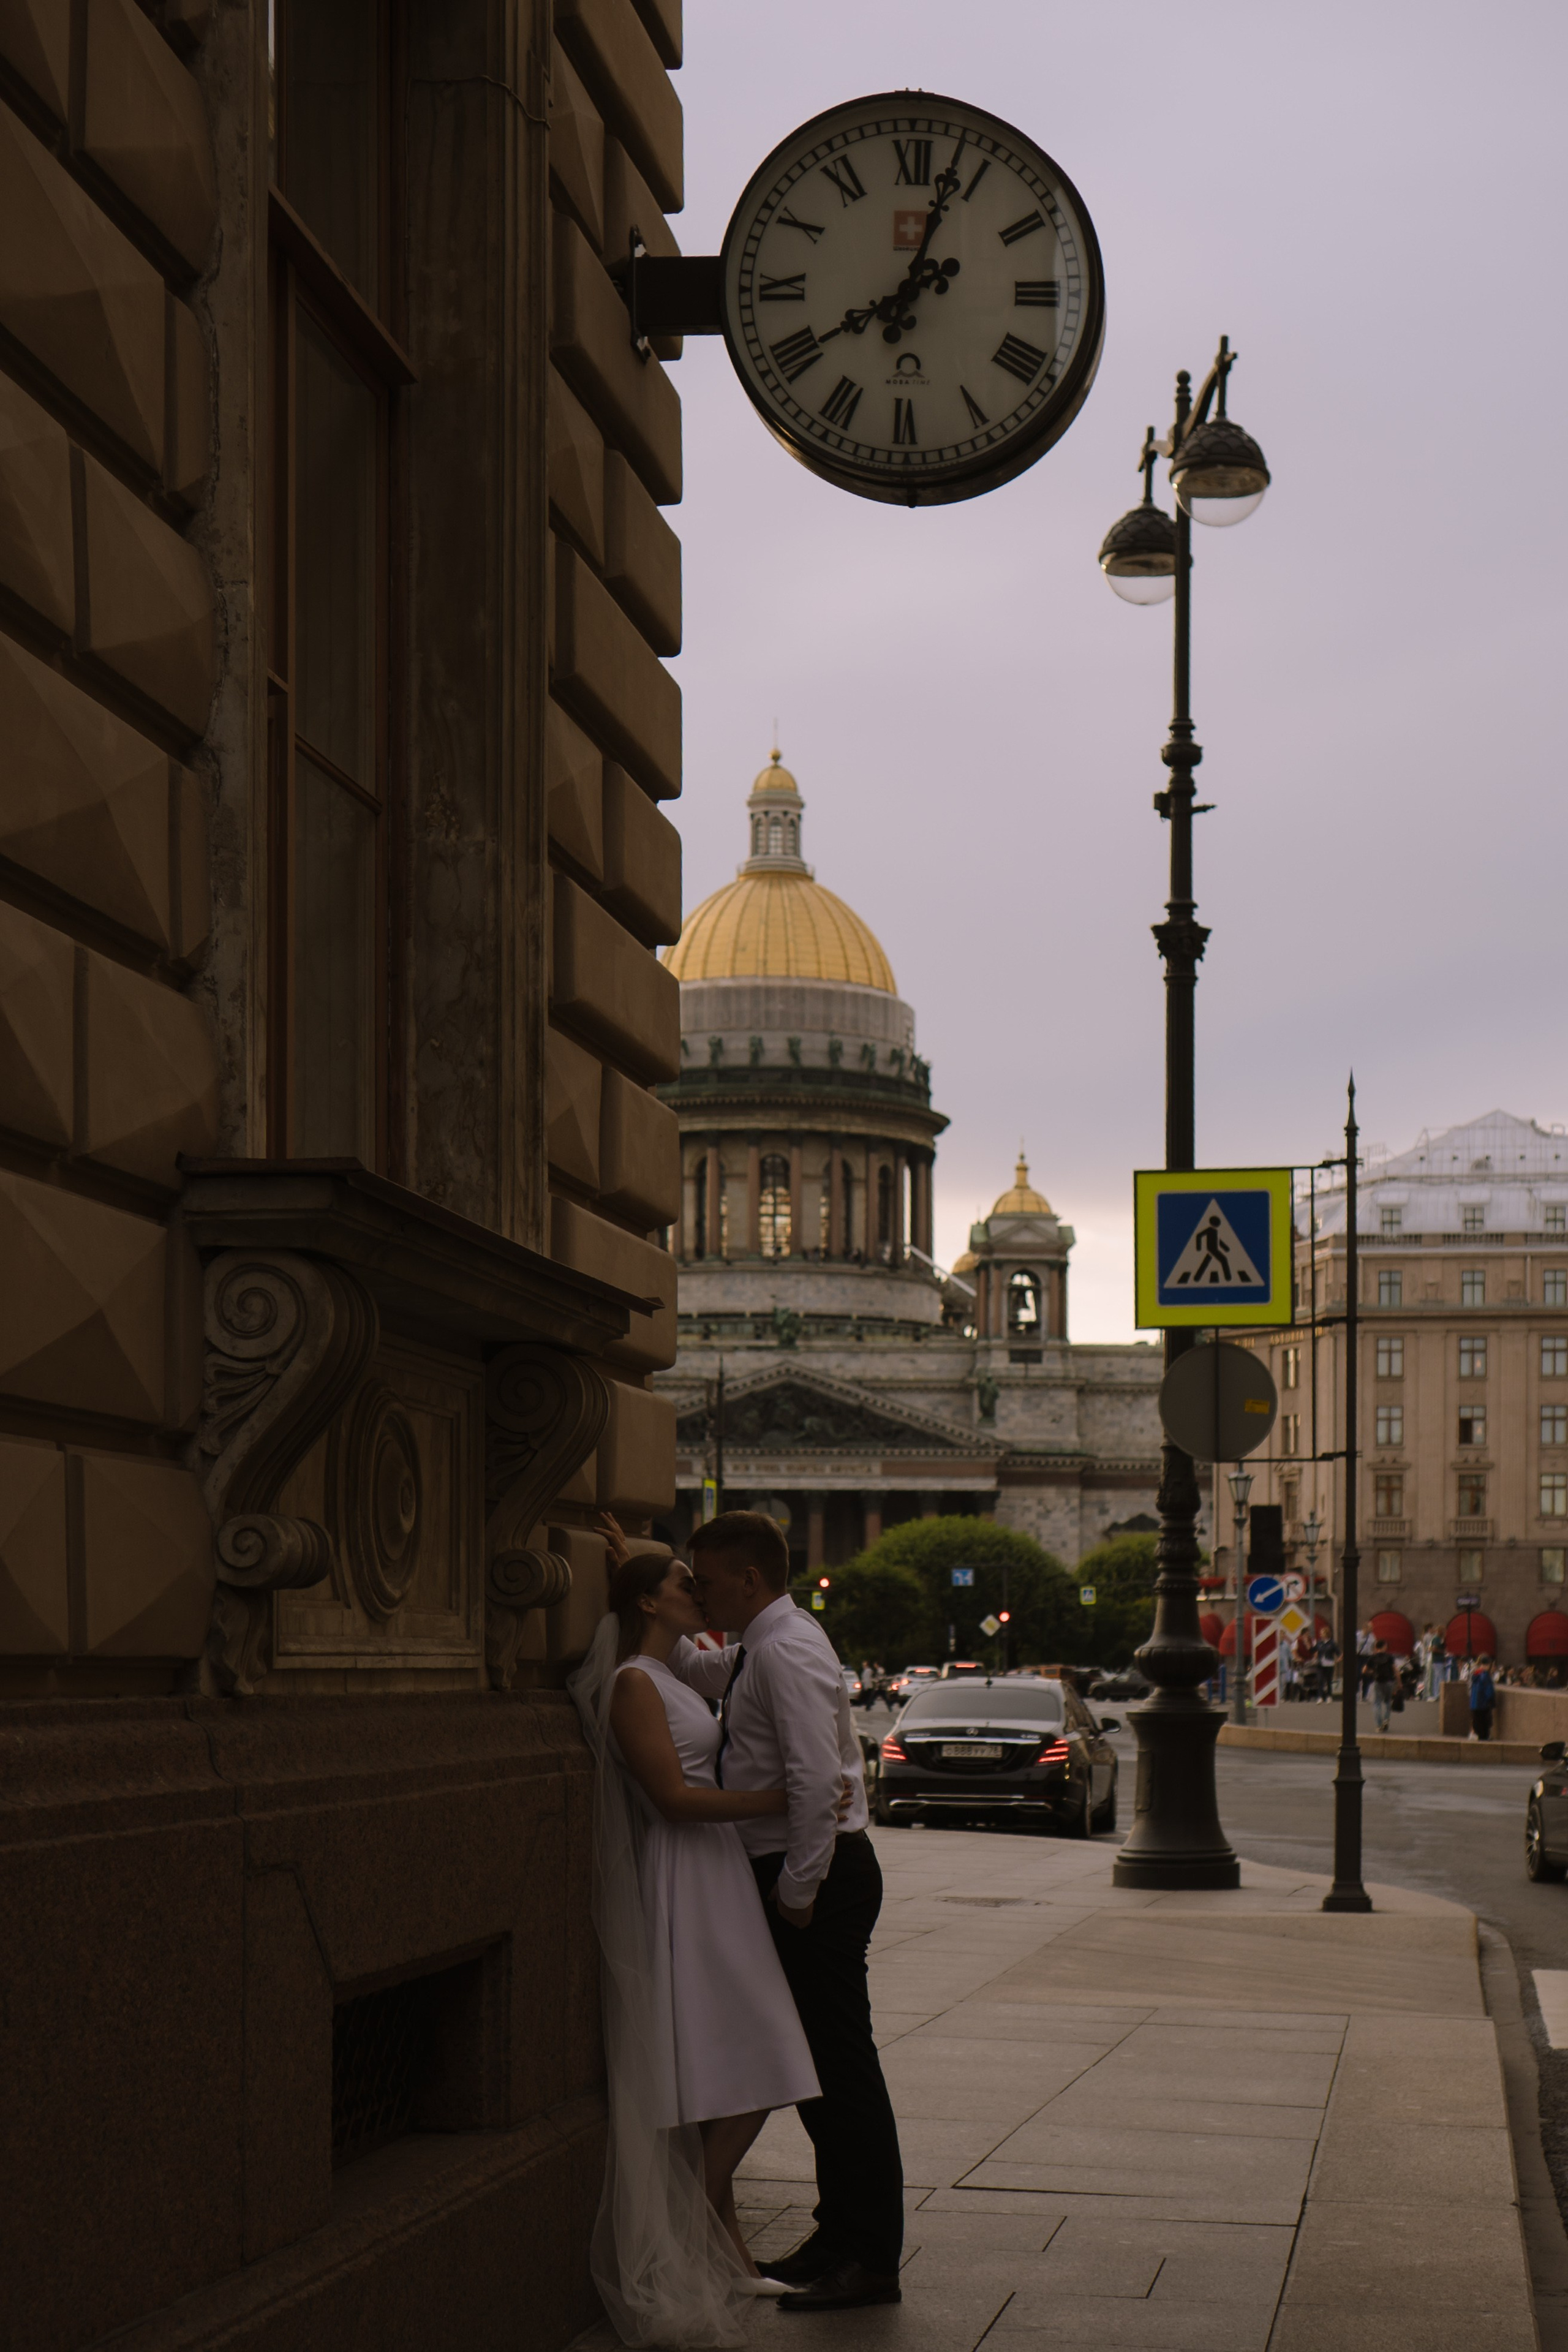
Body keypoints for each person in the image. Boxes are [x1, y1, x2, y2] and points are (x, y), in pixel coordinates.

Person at [568, 1540, 824, 2345]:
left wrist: (631, 1549)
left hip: (714, 1877)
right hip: (687, 1875)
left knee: (736, 2063)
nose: (700, 1594)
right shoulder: (634, 1683)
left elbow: (733, 1662)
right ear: (650, 1603)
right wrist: (774, 1799)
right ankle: (693, 2223)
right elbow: (674, 1800)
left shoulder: (678, 1673)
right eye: (686, 1584)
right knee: (766, 2058)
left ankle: (728, 2251)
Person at [678, 1509, 905, 2314]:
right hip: (804, 1872)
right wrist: (649, 1597)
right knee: (816, 2074)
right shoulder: (762, 1646)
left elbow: (816, 1780)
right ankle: (838, 2237)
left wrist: (798, 1895)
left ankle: (871, 2257)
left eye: (703, 1581)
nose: (697, 1594)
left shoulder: (788, 1647)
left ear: (748, 1580)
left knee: (840, 2072)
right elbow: (698, 1669)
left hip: (820, 1876)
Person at [1368, 1638, 1397, 1733]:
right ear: (1384, 1647)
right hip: (1389, 1681)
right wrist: (1399, 1683)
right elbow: (1395, 1670)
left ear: (1376, 1648)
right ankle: (1386, 1720)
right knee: (1388, 1702)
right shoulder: (1390, 1657)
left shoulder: (1373, 1658)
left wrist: (1373, 1672)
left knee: (1377, 1703)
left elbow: (1364, 1670)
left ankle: (1379, 1725)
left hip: (1378, 1681)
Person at [1469, 1654, 1497, 1741]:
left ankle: (1479, 1737)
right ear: (1487, 1665)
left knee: (1478, 1722)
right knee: (1485, 1723)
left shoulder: (1476, 1674)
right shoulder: (1485, 1676)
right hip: (1483, 1703)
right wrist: (1491, 1700)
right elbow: (1488, 1690)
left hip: (1475, 1703)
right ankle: (1484, 1739)